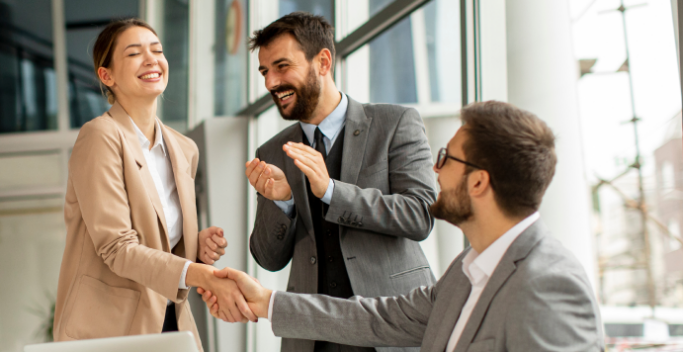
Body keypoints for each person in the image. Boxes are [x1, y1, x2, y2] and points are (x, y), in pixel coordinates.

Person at [203, 101, 605, 352]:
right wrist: (265, 302)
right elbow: (377, 318)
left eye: (446, 158)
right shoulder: (466, 271)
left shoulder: (549, 283)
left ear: (479, 182)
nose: (435, 169)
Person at [202, 12, 437, 352]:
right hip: (312, 338)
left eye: (282, 67)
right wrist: (282, 202)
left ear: (323, 62)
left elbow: (420, 215)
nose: (271, 83)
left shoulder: (395, 123)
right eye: (265, 72)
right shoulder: (271, 152)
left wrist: (331, 191)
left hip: (391, 326)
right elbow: (268, 258)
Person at [52, 18, 247, 351]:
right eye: (134, 53)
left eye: (157, 50)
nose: (151, 60)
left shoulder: (184, 149)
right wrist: (204, 276)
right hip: (110, 330)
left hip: (170, 320)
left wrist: (193, 245)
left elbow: (160, 245)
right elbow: (117, 248)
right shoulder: (100, 136)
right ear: (107, 76)